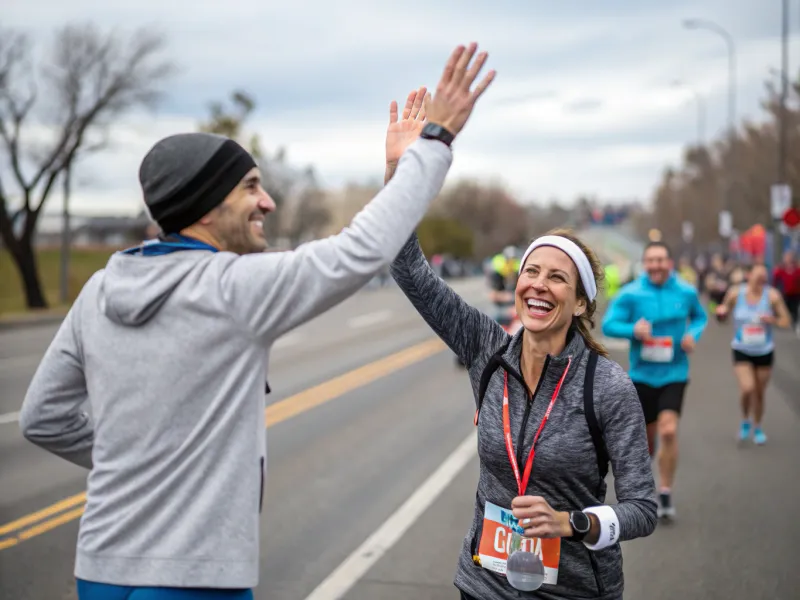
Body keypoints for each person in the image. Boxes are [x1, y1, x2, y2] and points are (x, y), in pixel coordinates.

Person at [18, 42, 496, 600]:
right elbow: (359, 251)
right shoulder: (231, 289)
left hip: (100, 570)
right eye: (249, 187)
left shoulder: (100, 288)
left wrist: (131, 466)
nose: (268, 202)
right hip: (194, 577)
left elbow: (42, 417)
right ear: (204, 206)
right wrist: (433, 144)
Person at [390, 221, 657, 597]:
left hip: (571, 590)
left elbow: (643, 509)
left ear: (580, 302)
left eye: (557, 277)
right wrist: (402, 185)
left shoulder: (607, 387)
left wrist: (572, 523)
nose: (539, 284)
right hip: (484, 584)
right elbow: (408, 269)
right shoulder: (487, 351)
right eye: (531, 271)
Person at [601, 241, 707, 521]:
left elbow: (700, 316)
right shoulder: (631, 294)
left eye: (661, 260)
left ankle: (665, 492)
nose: (656, 265)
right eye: (651, 260)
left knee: (669, 431)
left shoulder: (685, 291)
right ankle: (642, 483)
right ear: (645, 264)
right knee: (646, 443)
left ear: (669, 263)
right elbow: (608, 325)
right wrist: (633, 329)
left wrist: (691, 336)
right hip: (642, 376)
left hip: (674, 374)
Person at [716, 263, 792, 444]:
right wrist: (721, 313)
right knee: (747, 388)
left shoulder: (772, 295)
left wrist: (772, 319)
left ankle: (757, 426)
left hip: (764, 350)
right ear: (749, 276)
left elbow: (786, 321)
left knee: (759, 393)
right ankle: (745, 419)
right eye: (757, 278)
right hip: (742, 349)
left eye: (764, 279)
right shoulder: (736, 293)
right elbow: (723, 313)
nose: (760, 282)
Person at [772, 249, 800, 332]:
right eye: (787, 257)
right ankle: (785, 322)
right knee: (785, 308)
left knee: (794, 309)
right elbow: (775, 280)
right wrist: (774, 289)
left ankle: (793, 323)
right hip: (785, 293)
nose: (788, 259)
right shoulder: (781, 269)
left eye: (790, 257)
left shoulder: (797, 269)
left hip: (796, 293)